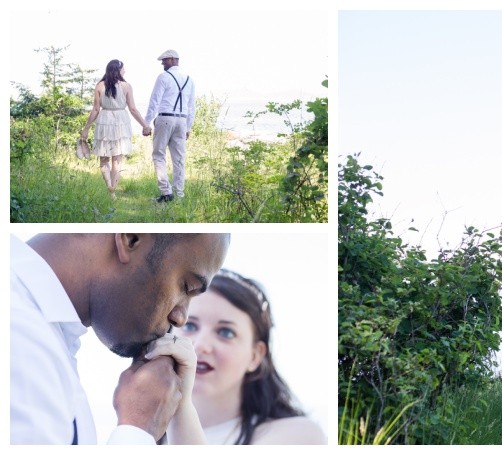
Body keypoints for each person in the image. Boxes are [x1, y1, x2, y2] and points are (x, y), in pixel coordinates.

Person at [10, 233, 231, 444]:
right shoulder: (19, 332)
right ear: (130, 239)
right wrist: (138, 428)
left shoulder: (44, 333)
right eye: (186, 287)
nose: (180, 317)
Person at [146, 269, 326, 444]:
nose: (201, 345)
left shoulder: (297, 435)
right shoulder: (141, 436)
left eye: (226, 332)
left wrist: (180, 405)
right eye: (191, 326)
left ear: (255, 356)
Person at [79, 59, 152, 199]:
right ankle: (114, 188)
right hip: (121, 121)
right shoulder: (126, 86)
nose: (125, 71)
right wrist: (145, 125)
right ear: (118, 70)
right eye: (123, 69)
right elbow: (133, 109)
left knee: (104, 159)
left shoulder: (100, 85)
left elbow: (95, 109)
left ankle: (109, 187)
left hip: (104, 120)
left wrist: (86, 128)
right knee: (117, 160)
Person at [144, 49, 196, 203]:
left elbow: (154, 101)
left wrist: (146, 123)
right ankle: (179, 194)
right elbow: (191, 106)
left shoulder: (163, 77)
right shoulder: (189, 79)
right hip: (182, 121)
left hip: (165, 118)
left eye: (165, 60)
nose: (162, 63)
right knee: (179, 159)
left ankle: (167, 193)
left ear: (173, 59)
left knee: (159, 155)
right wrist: (188, 127)